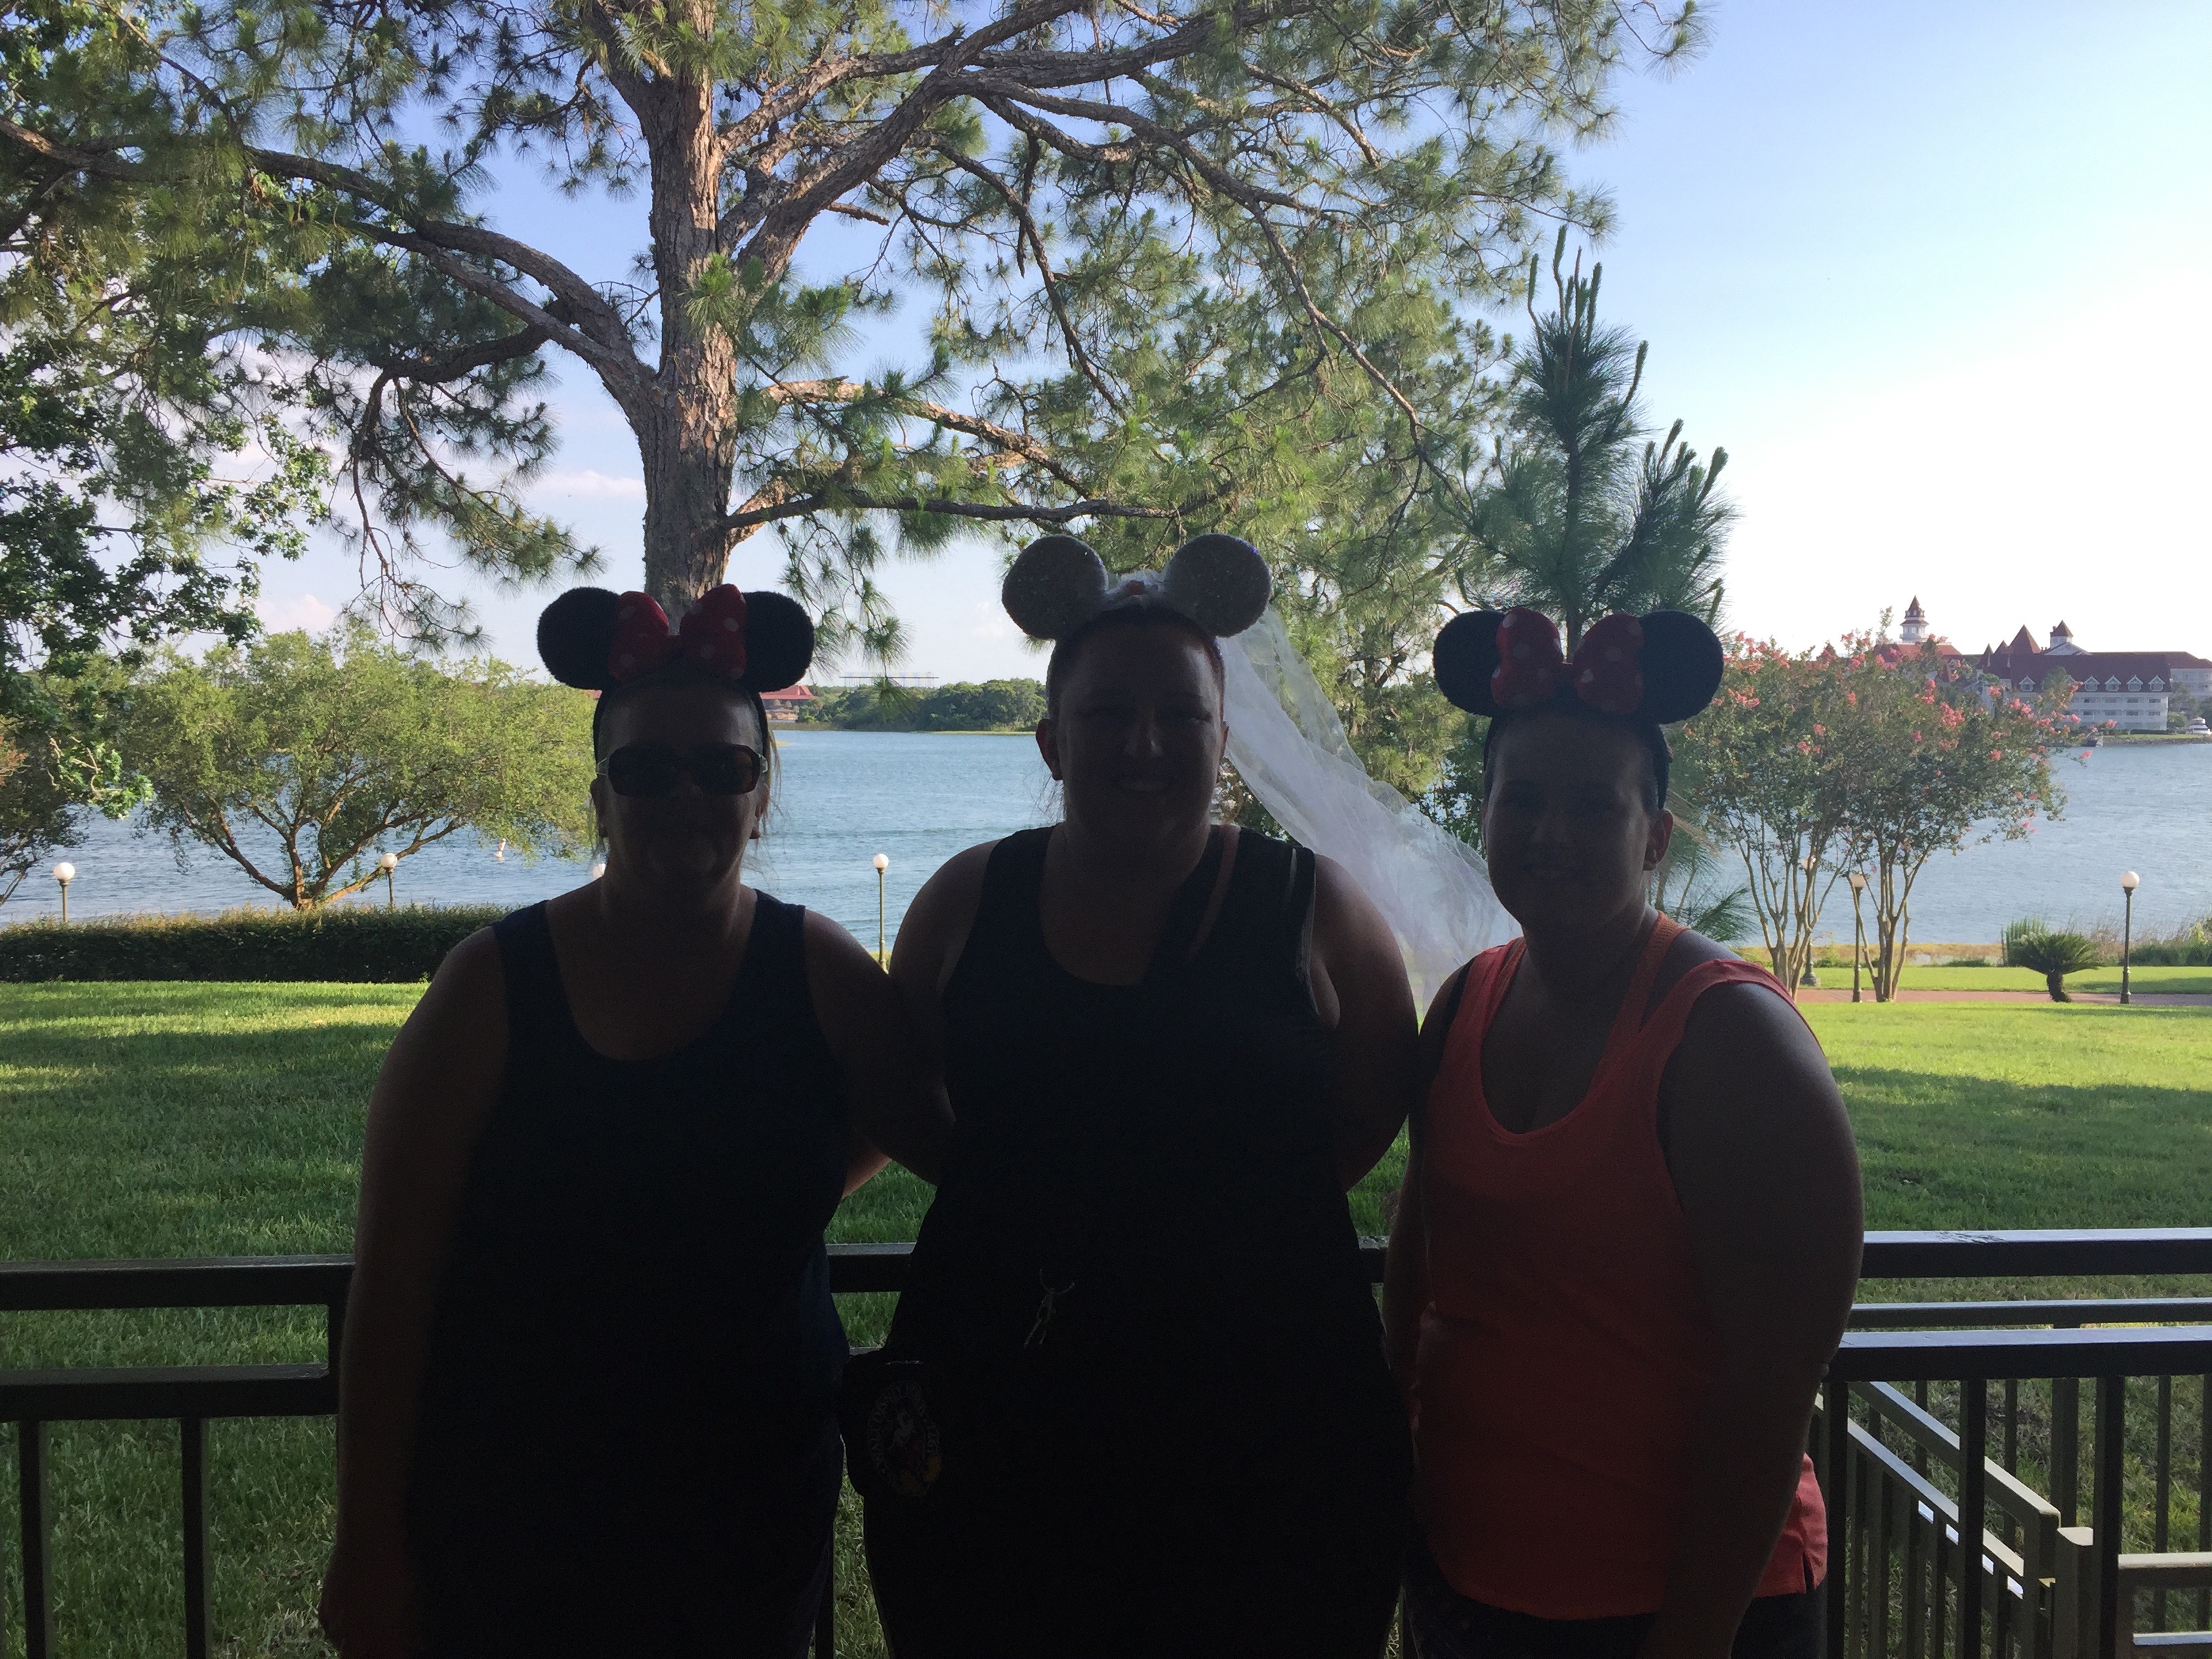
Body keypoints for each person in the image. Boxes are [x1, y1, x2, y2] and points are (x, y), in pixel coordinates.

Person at [317, 583, 951, 1659]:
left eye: (723, 768)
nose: (684, 795)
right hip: (514, 1513)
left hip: (751, 1516)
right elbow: (392, 1284)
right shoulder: (491, 988)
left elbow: (934, 1134)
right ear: (600, 799)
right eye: (645, 770)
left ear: (761, 796)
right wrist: (369, 1541)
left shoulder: (820, 970)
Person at [854, 535, 1417, 1659]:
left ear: (1225, 740)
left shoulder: (1317, 909)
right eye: (1107, 713)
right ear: (1051, 740)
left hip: (1271, 1419)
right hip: (999, 1408)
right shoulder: (968, 899)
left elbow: (1374, 1107)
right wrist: (1028, 1201)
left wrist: (1219, 1218)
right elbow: (900, 1085)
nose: (1144, 742)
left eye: (1181, 715)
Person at [1383, 607, 1863, 1659]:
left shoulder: (1732, 1041)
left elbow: (1775, 1379)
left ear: (1655, 835)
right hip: (1465, 1586)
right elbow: (1419, 1277)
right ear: (1484, 812)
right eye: (1523, 799)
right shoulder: (1463, 1004)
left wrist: (1692, 1637)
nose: (1550, 833)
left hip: (1684, 1612)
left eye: (1594, 805)